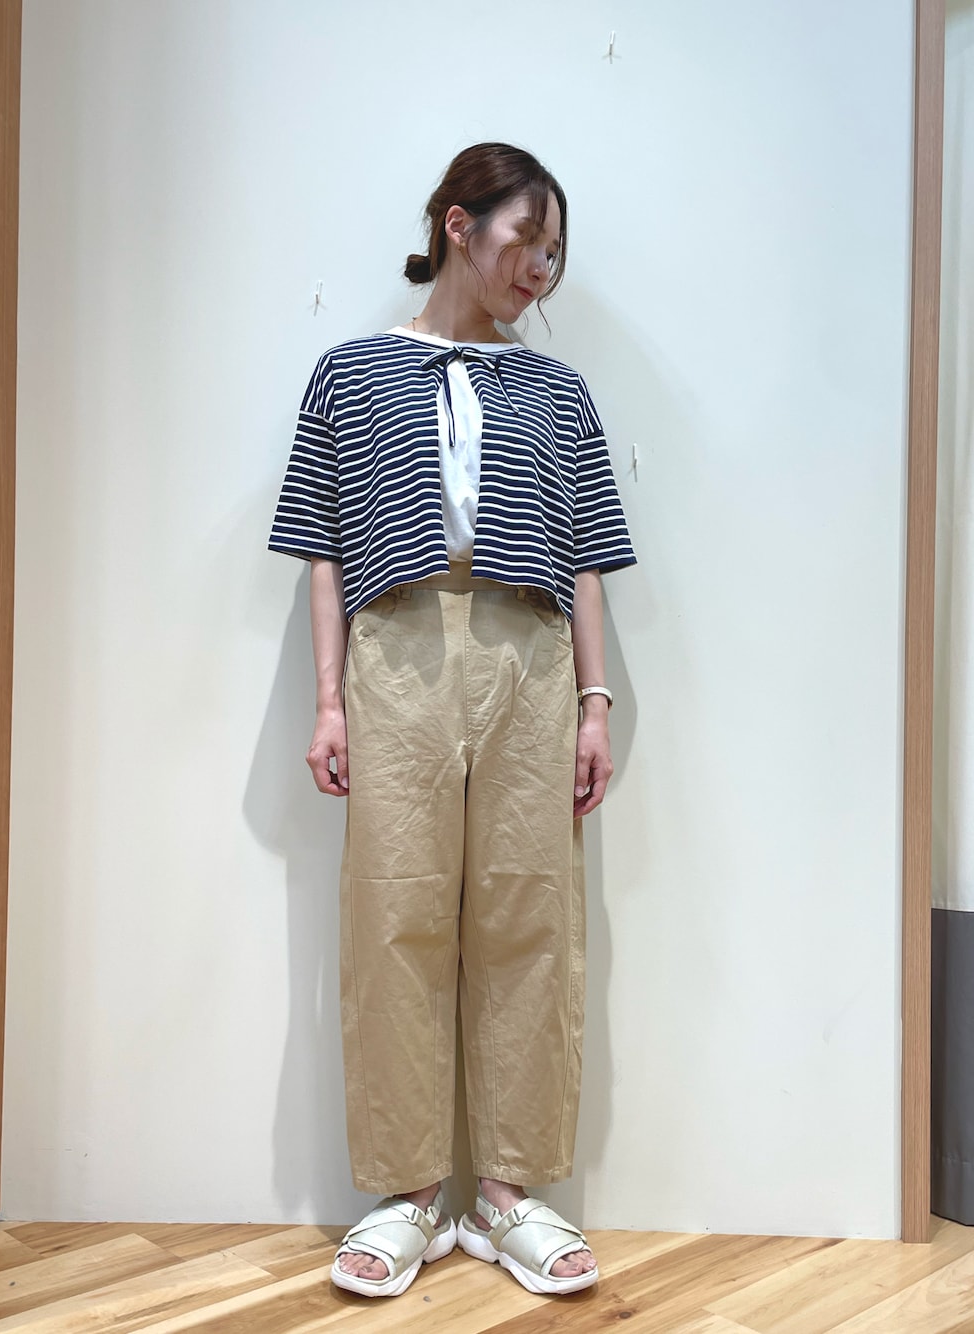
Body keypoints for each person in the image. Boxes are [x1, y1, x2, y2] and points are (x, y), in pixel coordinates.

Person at [268, 141, 635, 1299]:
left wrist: (593, 703)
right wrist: (329, 700)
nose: (540, 269)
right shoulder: (350, 372)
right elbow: (322, 547)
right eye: (527, 240)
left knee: (531, 915)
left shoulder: (559, 391)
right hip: (397, 646)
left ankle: (507, 1193)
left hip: (530, 652)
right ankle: (410, 1191)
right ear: (458, 224)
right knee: (396, 917)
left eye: (555, 254)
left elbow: (585, 557)